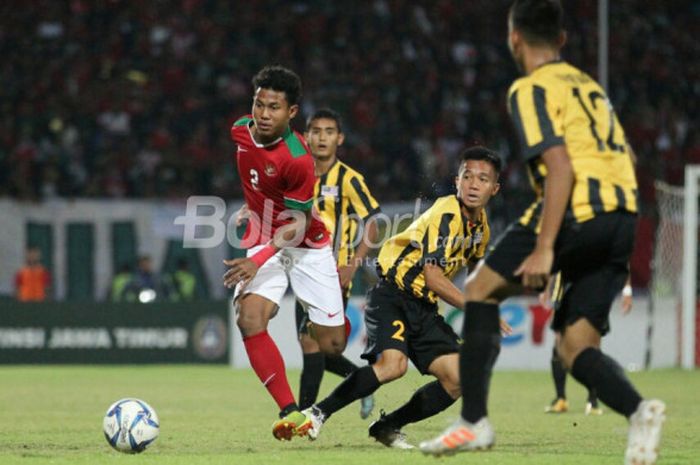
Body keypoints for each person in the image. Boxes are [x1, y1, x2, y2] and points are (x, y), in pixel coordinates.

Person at [420, 2, 666, 464]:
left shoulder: (531, 88)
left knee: (479, 291)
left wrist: (547, 246)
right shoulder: (590, 87)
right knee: (575, 347)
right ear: (562, 40)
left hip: (577, 209)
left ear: (515, 39)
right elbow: (626, 157)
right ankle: (640, 411)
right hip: (623, 216)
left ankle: (473, 422)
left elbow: (559, 165)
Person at [303, 146, 502, 449]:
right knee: (393, 366)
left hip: (424, 308)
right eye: (467, 176)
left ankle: (387, 426)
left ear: (495, 188)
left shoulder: (480, 228)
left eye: (483, 179)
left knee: (459, 379)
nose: (474, 184)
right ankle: (318, 412)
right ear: (457, 180)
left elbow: (475, 271)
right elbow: (434, 278)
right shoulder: (446, 214)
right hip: (393, 295)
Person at [222, 65, 347, 442]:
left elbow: (296, 225)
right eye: (259, 104)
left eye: (273, 107)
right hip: (265, 237)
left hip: (306, 245)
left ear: (291, 113)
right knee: (250, 318)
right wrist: (253, 206)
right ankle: (290, 412)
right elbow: (256, 176)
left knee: (332, 344)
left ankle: (320, 320)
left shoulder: (297, 158)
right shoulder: (241, 130)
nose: (263, 113)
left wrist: (255, 260)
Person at [295, 108, 380, 418]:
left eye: (329, 131)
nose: (321, 137)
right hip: (299, 269)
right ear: (306, 136)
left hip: (332, 272)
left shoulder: (349, 179)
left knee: (310, 343)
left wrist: (353, 264)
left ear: (339, 138)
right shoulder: (297, 174)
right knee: (322, 351)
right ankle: (362, 382)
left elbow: (373, 222)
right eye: (316, 131)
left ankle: (303, 416)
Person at [544, 274, 634, 416]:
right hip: (565, 289)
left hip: (595, 291)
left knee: (591, 347)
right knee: (559, 345)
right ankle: (561, 398)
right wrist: (548, 290)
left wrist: (627, 290)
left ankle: (592, 401)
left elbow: (623, 259)